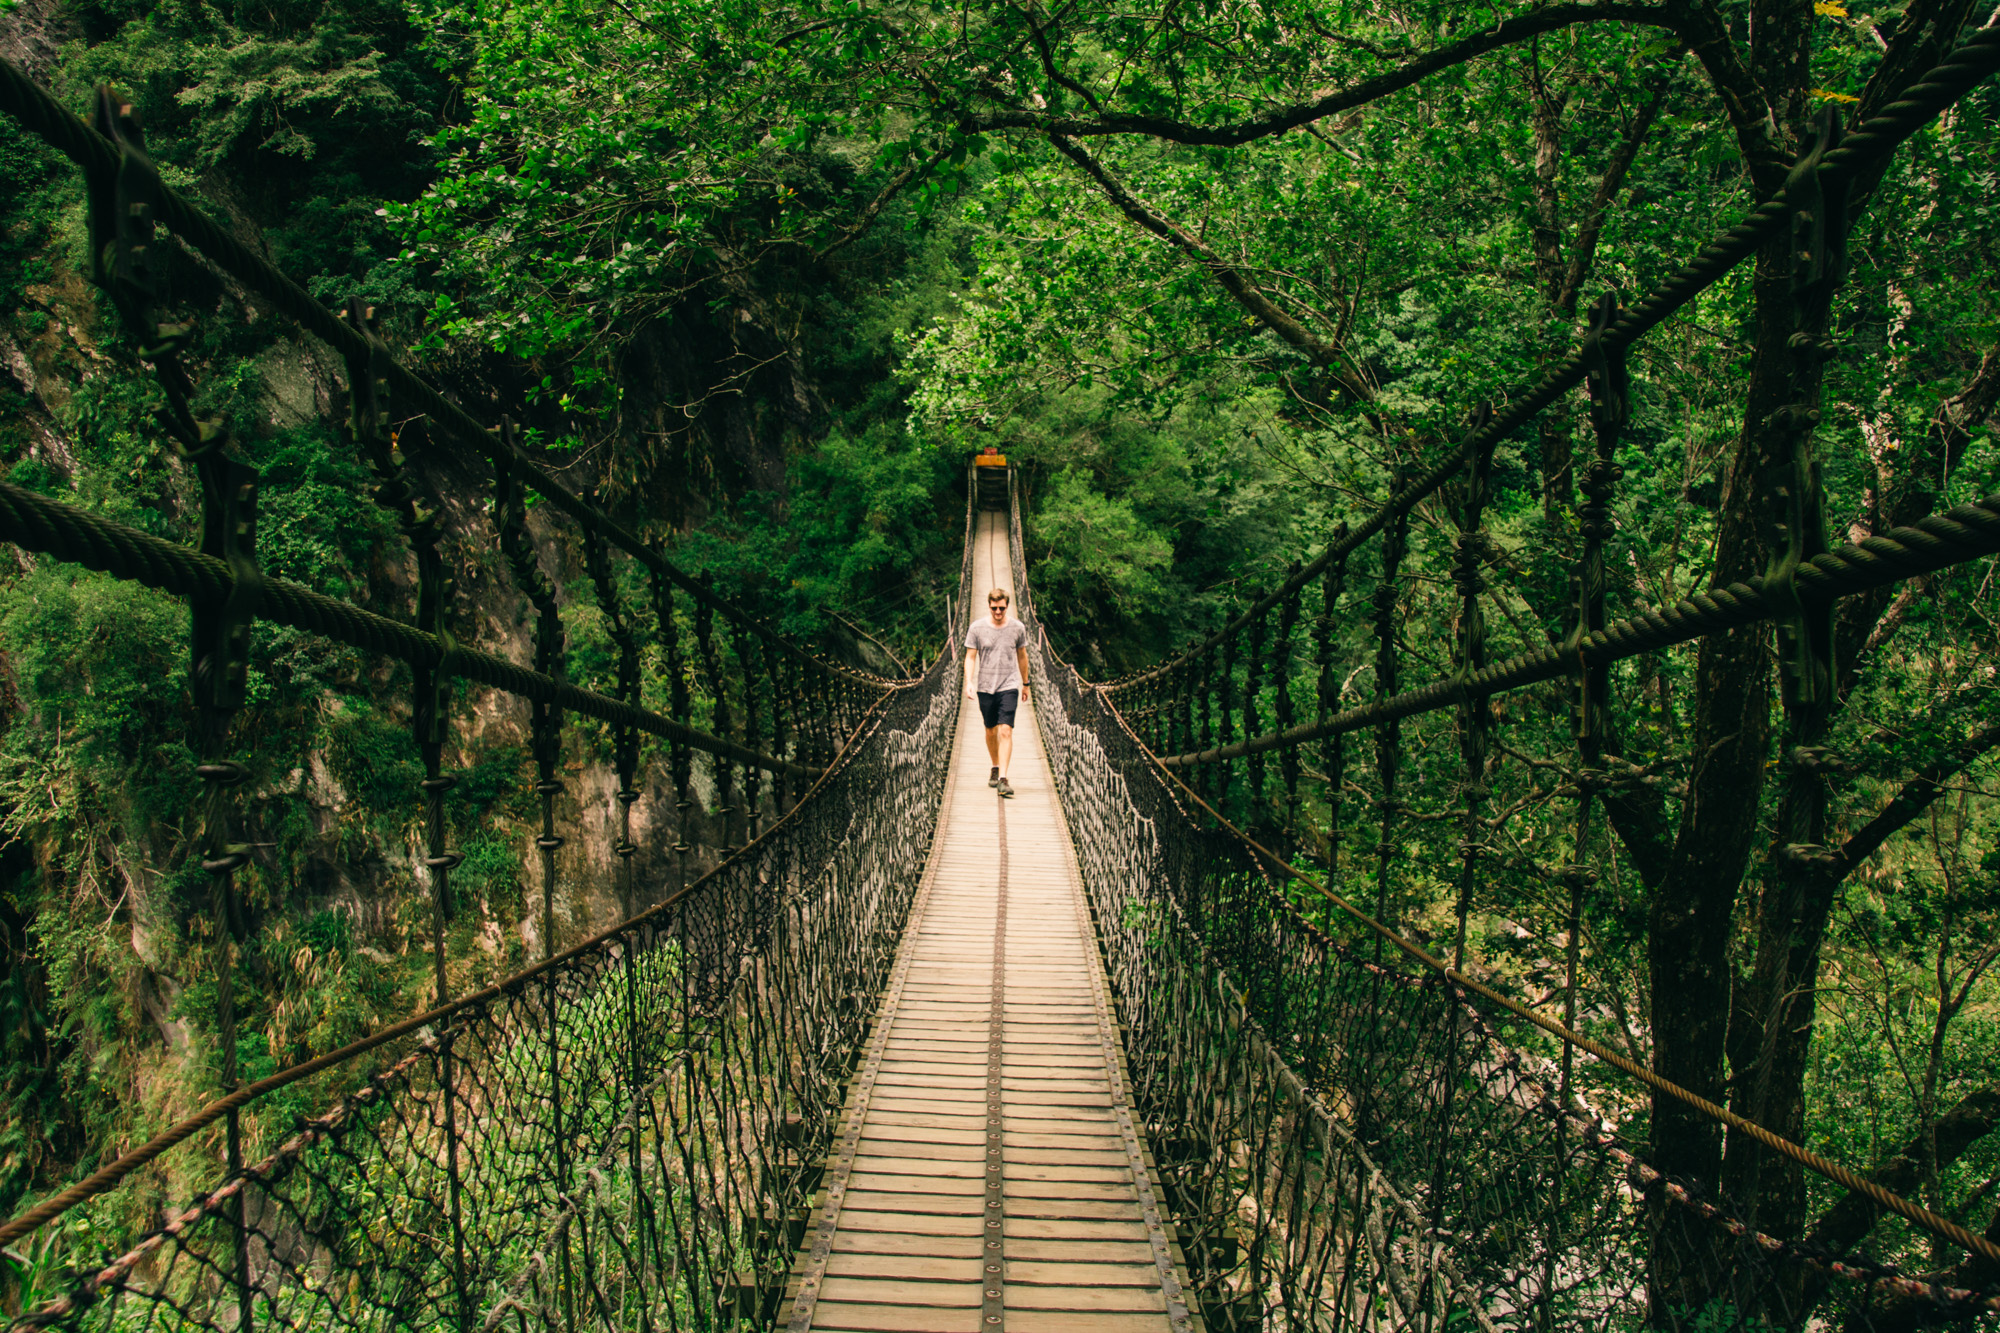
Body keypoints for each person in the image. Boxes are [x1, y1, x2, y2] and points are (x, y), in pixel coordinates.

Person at [963, 587, 1030, 798]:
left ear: (1007, 606)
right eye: (994, 608)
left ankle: (1003, 778)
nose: (998, 612)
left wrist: (1026, 683)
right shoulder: (977, 628)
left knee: (1005, 730)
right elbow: (971, 657)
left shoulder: (1018, 628)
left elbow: (1022, 656)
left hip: (1009, 685)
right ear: (989, 606)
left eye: (1001, 608)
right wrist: (969, 682)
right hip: (985, 686)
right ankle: (994, 765)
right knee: (991, 730)